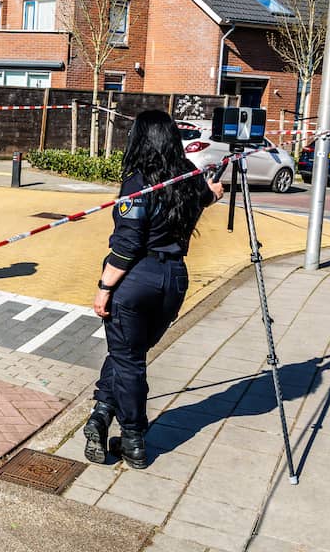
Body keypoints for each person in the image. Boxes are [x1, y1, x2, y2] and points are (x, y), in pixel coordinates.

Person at [84, 110, 224, 468]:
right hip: (173, 279)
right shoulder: (189, 175)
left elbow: (127, 244)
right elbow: (202, 199)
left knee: (129, 359)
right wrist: (212, 194)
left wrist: (104, 287)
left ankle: (133, 438)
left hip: (137, 279)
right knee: (129, 353)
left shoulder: (138, 182)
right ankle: (100, 415)